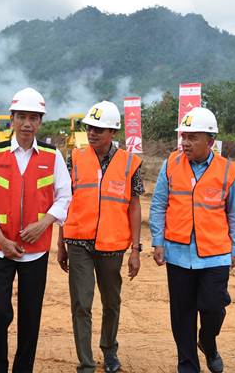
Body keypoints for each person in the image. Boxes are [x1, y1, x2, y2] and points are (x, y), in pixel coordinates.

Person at [0, 87, 72, 373]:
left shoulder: (51, 155)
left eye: (33, 117)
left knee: (30, 317)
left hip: (36, 251)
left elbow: (65, 195)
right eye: (22, 117)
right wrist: (1, 239)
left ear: (40, 122)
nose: (27, 123)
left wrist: (44, 223)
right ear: (12, 119)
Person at [149, 107, 235, 373]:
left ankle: (208, 341)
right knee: (182, 315)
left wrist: (234, 249)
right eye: (183, 136)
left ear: (210, 141)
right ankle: (188, 366)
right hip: (178, 253)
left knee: (213, 307)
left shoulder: (227, 171)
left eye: (193, 137)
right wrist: (158, 240)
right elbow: (158, 204)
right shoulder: (171, 164)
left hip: (215, 255)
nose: (185, 143)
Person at [58, 101, 143, 373]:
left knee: (111, 302)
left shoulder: (130, 163)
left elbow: (134, 205)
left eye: (99, 129)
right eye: (89, 128)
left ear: (113, 133)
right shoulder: (75, 157)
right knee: (81, 303)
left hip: (112, 245)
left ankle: (109, 351)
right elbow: (65, 201)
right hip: (79, 243)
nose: (92, 133)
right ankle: (86, 363)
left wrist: (136, 250)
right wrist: (61, 244)